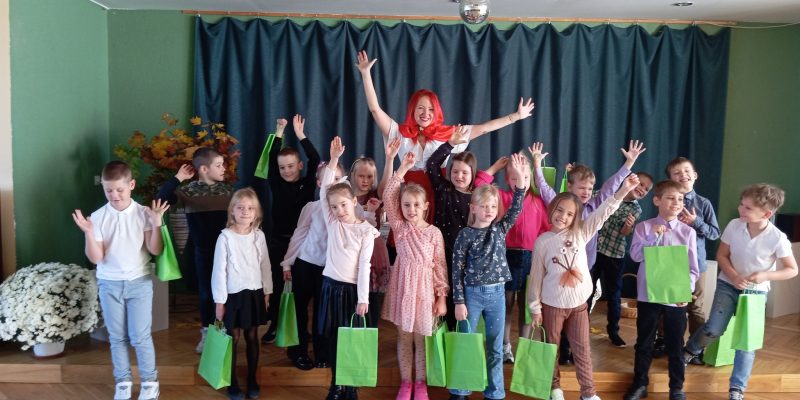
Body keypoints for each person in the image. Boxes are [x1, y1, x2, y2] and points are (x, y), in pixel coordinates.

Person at [355, 50, 535, 224]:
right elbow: (375, 110)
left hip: (438, 194)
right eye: (420, 108)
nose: (426, 113)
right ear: (412, 110)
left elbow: (484, 129)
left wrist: (515, 116)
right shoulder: (399, 132)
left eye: (431, 109)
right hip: (409, 196)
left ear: (437, 111)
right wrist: (365, 74)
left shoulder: (449, 134)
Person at [531, 140, 646, 364]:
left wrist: (628, 164)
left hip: (586, 268)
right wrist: (537, 164)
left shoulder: (595, 205)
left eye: (589, 189)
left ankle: (573, 348)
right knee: (558, 311)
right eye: (581, 188)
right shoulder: (561, 204)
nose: (586, 192)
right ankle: (559, 352)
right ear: (570, 187)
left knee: (581, 309)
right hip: (558, 271)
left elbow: (611, 187)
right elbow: (544, 188)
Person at [528, 174, 640, 400]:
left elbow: (603, 212)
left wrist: (622, 191)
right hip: (552, 306)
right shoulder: (542, 242)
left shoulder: (581, 233)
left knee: (582, 350)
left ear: (576, 217)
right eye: (559, 210)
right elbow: (536, 277)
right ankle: (554, 388)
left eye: (570, 214)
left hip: (579, 305)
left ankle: (588, 392)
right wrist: (535, 308)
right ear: (552, 209)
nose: (563, 216)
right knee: (551, 348)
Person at [683, 184, 797, 400]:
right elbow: (722, 255)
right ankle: (690, 351)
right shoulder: (734, 225)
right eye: (741, 204)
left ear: (766, 214)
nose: (740, 209)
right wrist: (734, 277)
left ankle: (737, 388)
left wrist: (765, 275)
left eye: (747, 208)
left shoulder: (778, 238)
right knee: (714, 329)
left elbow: (792, 270)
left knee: (747, 342)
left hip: (755, 294)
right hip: (728, 285)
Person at [72, 161, 169, 400]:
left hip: (139, 282)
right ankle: (123, 382)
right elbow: (97, 257)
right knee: (116, 337)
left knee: (140, 337)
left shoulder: (144, 213)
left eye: (119, 190)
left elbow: (155, 249)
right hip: (109, 284)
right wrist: (88, 233)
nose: (114, 195)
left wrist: (157, 224)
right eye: (109, 190)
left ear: (131, 185)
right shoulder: (98, 217)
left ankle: (150, 383)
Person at [280, 162, 376, 371]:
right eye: (327, 180)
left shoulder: (349, 208)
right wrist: (287, 261)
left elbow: (364, 228)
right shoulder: (313, 207)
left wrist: (371, 213)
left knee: (322, 314)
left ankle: (322, 353)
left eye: (337, 179)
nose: (332, 183)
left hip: (329, 271)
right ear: (319, 183)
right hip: (306, 263)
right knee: (300, 310)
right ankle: (298, 351)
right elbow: (299, 235)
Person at [449, 153, 527, 400]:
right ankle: (460, 390)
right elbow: (456, 270)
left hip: (496, 295)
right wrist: (459, 302)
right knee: (466, 344)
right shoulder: (465, 235)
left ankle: (495, 392)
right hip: (471, 295)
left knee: (495, 347)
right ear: (473, 208)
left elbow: (516, 207)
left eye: (493, 207)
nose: (489, 211)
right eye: (483, 206)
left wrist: (521, 180)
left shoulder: (499, 229)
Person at [382, 145, 449, 400]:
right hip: (403, 289)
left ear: (425, 206)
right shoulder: (400, 228)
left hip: (424, 291)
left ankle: (421, 383)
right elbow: (389, 194)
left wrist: (441, 297)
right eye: (406, 205)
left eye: (416, 205)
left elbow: (439, 266)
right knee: (404, 337)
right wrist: (402, 168)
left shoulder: (434, 233)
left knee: (421, 339)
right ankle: (405, 382)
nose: (411, 209)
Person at [623, 180, 700, 400]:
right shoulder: (643, 227)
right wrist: (652, 237)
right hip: (648, 295)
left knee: (675, 343)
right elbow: (635, 256)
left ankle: (676, 388)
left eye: (680, 199)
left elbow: (693, 268)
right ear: (657, 200)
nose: (676, 202)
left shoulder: (687, 232)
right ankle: (640, 384)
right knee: (644, 342)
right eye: (670, 198)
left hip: (675, 297)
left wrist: (685, 291)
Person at [318, 137, 380, 400]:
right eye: (334, 207)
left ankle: (351, 386)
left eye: (343, 204)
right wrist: (333, 160)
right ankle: (336, 384)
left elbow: (364, 266)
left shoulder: (366, 231)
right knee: (334, 338)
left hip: (353, 292)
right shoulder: (333, 223)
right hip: (330, 288)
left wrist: (363, 299)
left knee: (352, 339)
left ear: (354, 201)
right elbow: (325, 190)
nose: (339, 210)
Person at [475, 150, 550, 363]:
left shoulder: (538, 202)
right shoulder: (502, 197)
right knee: (505, 305)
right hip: (505, 257)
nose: (520, 182)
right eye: (515, 177)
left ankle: (524, 348)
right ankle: (505, 346)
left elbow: (546, 230)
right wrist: (495, 168)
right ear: (507, 180)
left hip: (532, 260)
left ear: (531, 177)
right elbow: (479, 186)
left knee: (527, 307)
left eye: (524, 177)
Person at [156, 147, 233, 353]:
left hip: (229, 252)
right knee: (206, 293)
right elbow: (161, 199)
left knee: (228, 292)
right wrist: (178, 178)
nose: (224, 168)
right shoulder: (187, 192)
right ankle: (207, 332)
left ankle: (226, 331)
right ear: (204, 169)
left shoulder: (229, 191)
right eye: (219, 165)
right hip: (203, 253)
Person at [261, 115, 321, 344]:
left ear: (300, 166)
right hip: (279, 242)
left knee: (300, 289)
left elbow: (315, 158)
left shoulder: (308, 184)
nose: (286, 171)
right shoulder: (276, 183)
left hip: (303, 245)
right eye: (282, 167)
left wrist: (301, 135)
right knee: (277, 287)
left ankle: (300, 329)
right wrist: (279, 132)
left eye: (290, 166)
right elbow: (270, 157)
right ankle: (274, 325)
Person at [211, 188, 273, 400]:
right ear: (232, 211)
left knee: (252, 335)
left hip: (254, 293)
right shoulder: (225, 237)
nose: (245, 212)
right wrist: (220, 302)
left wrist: (267, 291)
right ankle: (232, 382)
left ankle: (252, 379)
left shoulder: (259, 236)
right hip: (232, 295)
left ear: (256, 213)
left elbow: (265, 265)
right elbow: (219, 271)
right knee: (233, 337)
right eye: (240, 207)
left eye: (250, 208)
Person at [589, 171, 654, 347]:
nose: (642, 189)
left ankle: (613, 332)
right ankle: (579, 326)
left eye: (646, 189)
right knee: (587, 289)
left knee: (614, 295)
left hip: (614, 254)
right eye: (641, 184)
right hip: (593, 249)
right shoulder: (608, 193)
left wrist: (628, 226)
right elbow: (588, 205)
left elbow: (624, 233)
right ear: (629, 180)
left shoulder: (636, 209)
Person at [424, 126, 477, 330]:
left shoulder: (475, 199)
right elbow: (432, 164)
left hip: (463, 258)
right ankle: (436, 336)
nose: (459, 176)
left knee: (459, 301)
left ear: (472, 174)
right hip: (439, 255)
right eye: (455, 171)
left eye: (464, 172)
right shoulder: (443, 189)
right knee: (438, 299)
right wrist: (450, 145)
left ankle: (457, 336)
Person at [665, 157, 721, 339]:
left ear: (695, 175)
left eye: (687, 171)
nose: (683, 175)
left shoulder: (704, 204)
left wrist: (696, 222)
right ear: (670, 179)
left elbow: (714, 233)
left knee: (695, 307)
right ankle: (666, 341)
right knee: (668, 304)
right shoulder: (667, 202)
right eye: (677, 173)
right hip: (671, 262)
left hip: (696, 263)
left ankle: (695, 346)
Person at [350, 156, 391, 327]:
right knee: (353, 299)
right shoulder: (346, 197)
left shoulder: (376, 196)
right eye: (361, 176)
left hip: (373, 256)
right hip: (352, 256)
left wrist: (389, 159)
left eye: (369, 176)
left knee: (371, 299)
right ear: (353, 175)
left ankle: (370, 335)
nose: (365, 180)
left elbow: (387, 186)